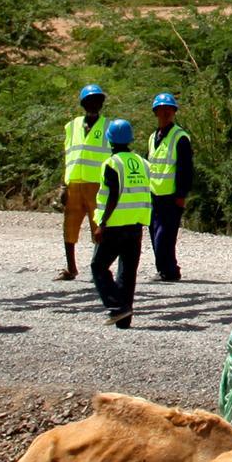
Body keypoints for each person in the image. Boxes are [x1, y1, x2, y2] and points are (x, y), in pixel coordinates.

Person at [91, 116, 150, 329]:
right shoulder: (142, 163)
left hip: (114, 225)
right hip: (136, 224)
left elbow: (113, 194)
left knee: (98, 267)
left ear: (110, 140)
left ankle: (117, 307)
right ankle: (124, 319)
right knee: (127, 272)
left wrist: (102, 223)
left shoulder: (111, 163)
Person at [58, 82, 108, 282]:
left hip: (97, 184)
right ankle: (71, 268)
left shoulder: (108, 127)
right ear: (83, 103)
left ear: (101, 103)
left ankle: (98, 267)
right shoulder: (72, 126)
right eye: (89, 100)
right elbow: (68, 156)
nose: (93, 104)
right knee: (69, 227)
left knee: (98, 227)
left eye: (96, 100)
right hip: (74, 183)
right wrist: (63, 185)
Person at [145, 94, 193, 281]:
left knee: (164, 235)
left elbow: (186, 169)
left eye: (169, 110)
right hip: (153, 194)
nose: (165, 113)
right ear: (155, 112)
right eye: (161, 109)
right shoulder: (152, 137)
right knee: (154, 232)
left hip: (171, 195)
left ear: (174, 112)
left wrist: (181, 194)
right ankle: (166, 269)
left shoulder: (180, 138)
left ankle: (169, 270)